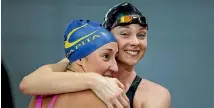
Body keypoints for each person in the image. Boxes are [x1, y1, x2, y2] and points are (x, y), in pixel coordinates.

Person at [20, 2, 171, 108]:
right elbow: (27, 84)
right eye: (125, 34)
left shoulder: (154, 95)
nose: (135, 42)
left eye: (142, 35)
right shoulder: (75, 63)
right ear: (106, 37)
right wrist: (95, 81)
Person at [28, 19, 129, 108]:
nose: (115, 68)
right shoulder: (104, 98)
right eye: (106, 56)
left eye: (115, 57)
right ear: (80, 59)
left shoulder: (39, 95)